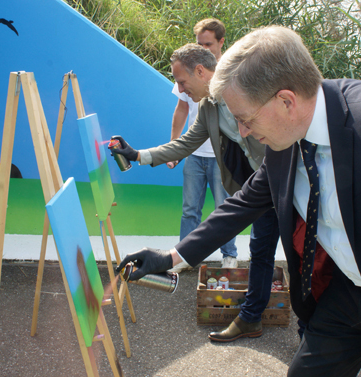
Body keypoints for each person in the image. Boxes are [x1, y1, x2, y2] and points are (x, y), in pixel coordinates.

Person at [116, 26, 361, 377]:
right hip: (345, 294)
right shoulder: (282, 136)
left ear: (286, 101)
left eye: (245, 120)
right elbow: (244, 202)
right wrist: (172, 257)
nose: (243, 132)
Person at [112, 43, 282, 343]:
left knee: (302, 255)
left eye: (181, 81)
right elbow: (183, 144)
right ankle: (252, 316)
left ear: (201, 72)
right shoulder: (206, 109)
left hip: (289, 178)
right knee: (261, 251)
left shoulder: (246, 86)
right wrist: (138, 154)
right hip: (259, 188)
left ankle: (312, 329)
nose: (180, 89)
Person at [167, 18, 237, 272]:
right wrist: (174, 148)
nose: (204, 49)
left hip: (221, 155)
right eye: (199, 44)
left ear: (221, 42)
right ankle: (185, 256)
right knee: (189, 210)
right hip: (194, 153)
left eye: (208, 44)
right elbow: (181, 109)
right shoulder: (186, 70)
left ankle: (229, 254)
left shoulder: (230, 72)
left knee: (225, 210)